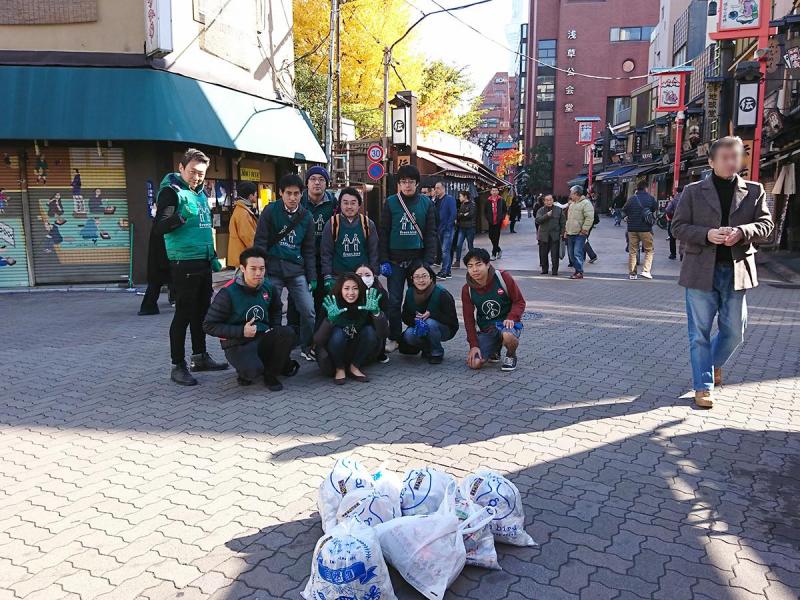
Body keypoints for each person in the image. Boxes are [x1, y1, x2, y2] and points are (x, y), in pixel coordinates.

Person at [671, 136, 773, 409]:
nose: (731, 162)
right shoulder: (693, 191)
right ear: (711, 161)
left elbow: (766, 225)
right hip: (700, 271)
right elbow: (677, 227)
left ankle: (712, 363)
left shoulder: (754, 191)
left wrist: (742, 232)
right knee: (699, 333)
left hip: (736, 270)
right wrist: (707, 234)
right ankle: (703, 386)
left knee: (735, 331)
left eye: (736, 157)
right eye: (725, 157)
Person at [154, 148, 228, 385]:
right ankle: (177, 365)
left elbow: (204, 227)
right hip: (183, 262)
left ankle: (200, 356)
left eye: (201, 173)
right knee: (183, 315)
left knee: (201, 313)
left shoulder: (200, 193)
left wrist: (212, 255)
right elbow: (159, 227)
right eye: (193, 172)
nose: (197, 177)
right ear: (181, 168)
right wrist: (181, 217)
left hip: (203, 260)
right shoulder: (171, 192)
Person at [203, 247, 299, 391]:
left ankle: (271, 374)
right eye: (253, 269)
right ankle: (247, 370)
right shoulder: (228, 293)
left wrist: (274, 328)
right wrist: (241, 331)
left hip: (261, 337)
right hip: (237, 343)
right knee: (252, 371)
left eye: (262, 268)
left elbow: (276, 309)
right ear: (243, 268)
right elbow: (209, 325)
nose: (258, 273)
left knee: (287, 333)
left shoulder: (268, 287)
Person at [253, 173, 317, 360]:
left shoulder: (306, 216)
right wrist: (260, 271)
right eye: (288, 193)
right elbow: (260, 242)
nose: (292, 197)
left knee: (308, 311)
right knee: (271, 310)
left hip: (296, 270)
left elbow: (309, 249)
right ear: (280, 193)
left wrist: (312, 277)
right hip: (273, 270)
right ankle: (271, 349)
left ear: (302, 194)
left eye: (296, 193)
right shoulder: (270, 211)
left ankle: (307, 346)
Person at [379, 164, 437, 353]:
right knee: (394, 302)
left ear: (417, 183)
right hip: (394, 262)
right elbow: (384, 231)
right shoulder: (390, 202)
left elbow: (431, 233)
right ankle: (394, 337)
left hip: (417, 262)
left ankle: (419, 336)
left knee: (419, 301)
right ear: (399, 184)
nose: (407, 185)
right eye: (403, 181)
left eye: (411, 181)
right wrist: (384, 259)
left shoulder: (426, 203)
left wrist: (427, 262)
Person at [286, 166, 337, 353]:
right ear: (306, 183)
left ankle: (318, 336)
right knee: (296, 297)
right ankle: (293, 336)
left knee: (322, 297)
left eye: (321, 179)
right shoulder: (299, 201)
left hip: (324, 258)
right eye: (313, 179)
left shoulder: (334, 203)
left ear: (326, 183)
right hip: (300, 258)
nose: (317, 183)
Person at [462, 248, 526, 372]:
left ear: (487, 265)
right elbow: (468, 319)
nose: (474, 269)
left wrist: (512, 317)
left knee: (507, 335)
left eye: (478, 264)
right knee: (475, 363)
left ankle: (511, 355)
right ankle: (495, 349)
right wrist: (473, 345)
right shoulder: (467, 289)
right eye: (470, 266)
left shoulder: (503, 277)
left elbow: (519, 301)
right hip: (488, 329)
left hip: (507, 324)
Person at [317, 274, 382, 384]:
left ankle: (354, 366)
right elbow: (317, 339)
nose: (351, 293)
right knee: (338, 334)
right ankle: (339, 368)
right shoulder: (331, 303)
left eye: (355, 288)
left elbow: (383, 333)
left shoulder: (367, 302)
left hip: (355, 347)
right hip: (334, 349)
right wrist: (329, 321)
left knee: (370, 332)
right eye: (346, 288)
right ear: (340, 289)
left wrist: (377, 314)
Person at [399, 263, 459, 364]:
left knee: (430, 323)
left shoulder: (442, 293)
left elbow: (451, 320)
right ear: (412, 279)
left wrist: (432, 315)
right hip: (419, 327)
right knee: (409, 335)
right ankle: (427, 348)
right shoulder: (410, 293)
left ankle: (437, 352)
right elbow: (405, 316)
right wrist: (415, 320)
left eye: (424, 276)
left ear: (431, 278)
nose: (421, 280)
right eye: (417, 277)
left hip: (443, 329)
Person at [321, 187, 379, 289]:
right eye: (345, 203)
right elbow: (326, 252)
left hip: (362, 277)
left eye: (353, 203)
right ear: (340, 204)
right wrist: (327, 276)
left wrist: (374, 274)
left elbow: (374, 251)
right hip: (338, 277)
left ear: (359, 204)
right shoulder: (332, 224)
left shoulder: (367, 224)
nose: (349, 206)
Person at [138, 217, 174, 316]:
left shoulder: (160, 222)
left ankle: (149, 306)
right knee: (164, 280)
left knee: (157, 282)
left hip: (161, 257)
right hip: (165, 256)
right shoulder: (164, 222)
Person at [622, 180, 658, 280]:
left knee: (633, 251)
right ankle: (646, 271)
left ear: (637, 189)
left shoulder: (632, 199)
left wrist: (627, 216)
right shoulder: (650, 198)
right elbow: (655, 208)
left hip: (632, 229)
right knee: (649, 250)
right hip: (645, 229)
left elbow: (624, 210)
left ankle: (632, 274)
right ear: (646, 188)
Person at [355, 264, 390, 364]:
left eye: (367, 275)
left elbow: (385, 318)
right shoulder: (349, 293)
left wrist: (376, 313)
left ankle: (380, 353)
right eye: (359, 275)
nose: (363, 278)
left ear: (373, 276)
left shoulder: (381, 293)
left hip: (373, 328)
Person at [564, 185, 594, 280]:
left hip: (579, 234)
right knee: (571, 254)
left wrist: (584, 230)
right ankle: (577, 270)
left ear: (576, 194)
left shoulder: (586, 203)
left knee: (577, 253)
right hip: (570, 233)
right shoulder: (572, 204)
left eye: (571, 193)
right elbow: (569, 219)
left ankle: (579, 272)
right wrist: (566, 230)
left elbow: (589, 218)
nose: (570, 195)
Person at [227, 181, 259, 268]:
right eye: (255, 193)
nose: (257, 195)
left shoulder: (242, 210)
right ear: (250, 196)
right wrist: (259, 253)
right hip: (244, 259)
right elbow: (249, 238)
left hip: (243, 257)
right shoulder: (243, 213)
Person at [535, 194, 565, 276]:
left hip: (555, 235)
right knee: (543, 254)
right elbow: (537, 220)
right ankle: (544, 269)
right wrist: (547, 215)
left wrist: (562, 233)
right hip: (544, 235)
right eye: (547, 200)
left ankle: (555, 271)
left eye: (550, 200)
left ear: (553, 200)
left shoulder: (559, 210)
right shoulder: (541, 210)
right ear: (544, 201)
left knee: (555, 255)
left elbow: (562, 222)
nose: (549, 202)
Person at [433, 181, 457, 279]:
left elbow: (453, 213)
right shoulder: (436, 200)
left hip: (447, 229)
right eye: (435, 188)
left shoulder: (449, 199)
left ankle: (444, 271)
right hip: (439, 229)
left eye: (438, 188)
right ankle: (448, 271)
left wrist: (448, 226)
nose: (436, 190)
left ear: (443, 188)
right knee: (446, 250)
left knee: (445, 250)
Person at [453, 190, 476, 268]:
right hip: (462, 228)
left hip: (470, 228)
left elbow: (470, 215)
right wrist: (463, 214)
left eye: (460, 196)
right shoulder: (462, 205)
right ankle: (457, 261)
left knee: (470, 246)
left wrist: (462, 215)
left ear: (465, 197)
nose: (459, 198)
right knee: (458, 245)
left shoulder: (472, 205)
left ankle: (473, 261)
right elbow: (458, 215)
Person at [484, 186, 506, 260]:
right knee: (491, 236)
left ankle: (493, 254)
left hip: (498, 221)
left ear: (498, 192)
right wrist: (488, 218)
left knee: (496, 237)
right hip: (491, 221)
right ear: (490, 192)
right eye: (493, 190)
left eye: (496, 190)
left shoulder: (501, 200)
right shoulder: (488, 201)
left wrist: (502, 217)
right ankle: (498, 250)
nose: (494, 192)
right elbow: (485, 211)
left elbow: (504, 210)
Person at [665, 187, 683, 260]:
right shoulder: (687, 198)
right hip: (685, 222)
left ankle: (673, 254)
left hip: (674, 221)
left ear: (677, 192)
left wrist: (672, 215)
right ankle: (682, 255)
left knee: (672, 238)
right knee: (683, 239)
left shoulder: (674, 200)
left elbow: (668, 210)